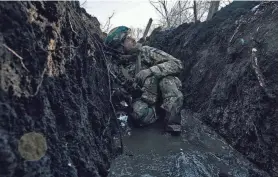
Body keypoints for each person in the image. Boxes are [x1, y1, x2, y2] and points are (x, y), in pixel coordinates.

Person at [105, 26, 183, 135]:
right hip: (147, 98)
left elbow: (177, 64)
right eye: (128, 38)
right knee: (138, 115)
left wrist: (151, 71)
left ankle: (173, 127)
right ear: (120, 45)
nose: (133, 39)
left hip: (163, 91)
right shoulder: (118, 66)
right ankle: (160, 113)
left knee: (167, 82)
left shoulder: (145, 51)